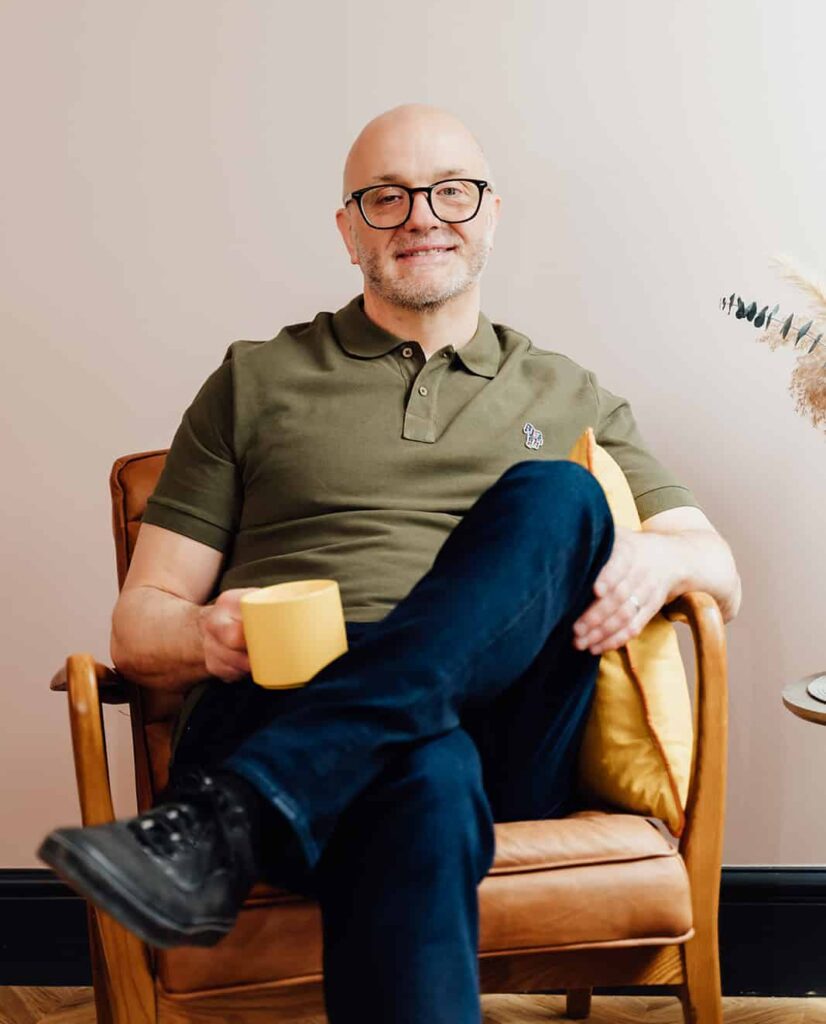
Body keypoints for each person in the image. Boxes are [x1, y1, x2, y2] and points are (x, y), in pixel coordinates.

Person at [39, 104, 741, 1024]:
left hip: (508, 730)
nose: (422, 215)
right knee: (424, 767)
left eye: (451, 191)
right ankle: (282, 781)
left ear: (489, 213)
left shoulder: (566, 391)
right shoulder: (255, 381)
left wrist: (653, 555)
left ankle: (226, 821)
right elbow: (141, 621)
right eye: (386, 197)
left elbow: (716, 564)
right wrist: (206, 634)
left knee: (560, 496)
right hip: (282, 696)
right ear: (347, 228)